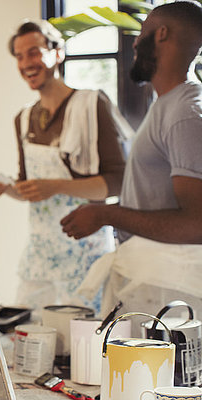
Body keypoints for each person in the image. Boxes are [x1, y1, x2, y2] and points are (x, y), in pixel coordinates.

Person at [60, 1, 202, 319]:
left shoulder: (185, 113)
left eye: (142, 32)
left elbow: (197, 224)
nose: (136, 42)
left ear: (162, 34)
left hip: (172, 293)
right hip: (153, 281)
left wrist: (106, 214)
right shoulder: (166, 105)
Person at [0, 20, 131, 313]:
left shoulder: (92, 105)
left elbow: (118, 182)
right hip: (40, 259)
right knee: (32, 342)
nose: (26, 62)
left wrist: (56, 186)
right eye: (20, 56)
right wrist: (7, 189)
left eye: (34, 52)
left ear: (58, 53)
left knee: (85, 345)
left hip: (86, 255)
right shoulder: (23, 119)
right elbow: (30, 188)